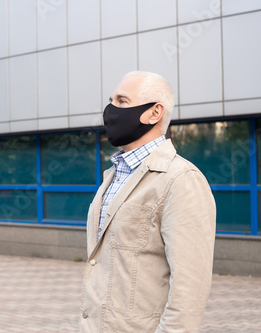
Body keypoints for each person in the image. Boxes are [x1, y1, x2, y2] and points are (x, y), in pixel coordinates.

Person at [80, 71, 216, 332]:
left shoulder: (180, 179)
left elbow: (190, 284)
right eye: (111, 100)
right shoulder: (113, 175)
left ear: (154, 113)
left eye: (122, 101)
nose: (110, 110)